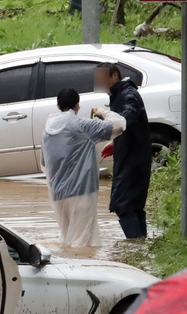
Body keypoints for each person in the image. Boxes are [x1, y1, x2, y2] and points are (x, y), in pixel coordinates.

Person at [41, 87, 126, 250]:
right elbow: (120, 125)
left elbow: (45, 164)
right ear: (77, 106)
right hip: (82, 193)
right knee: (82, 242)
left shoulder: (46, 131)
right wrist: (103, 113)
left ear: (58, 106)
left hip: (58, 195)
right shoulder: (80, 125)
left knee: (67, 240)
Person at [95, 62, 153, 240]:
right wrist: (115, 141)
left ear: (115, 76)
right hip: (130, 155)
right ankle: (141, 245)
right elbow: (127, 126)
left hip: (134, 159)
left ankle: (135, 244)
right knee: (133, 205)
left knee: (122, 204)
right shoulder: (117, 95)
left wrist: (109, 117)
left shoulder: (128, 94)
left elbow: (129, 114)